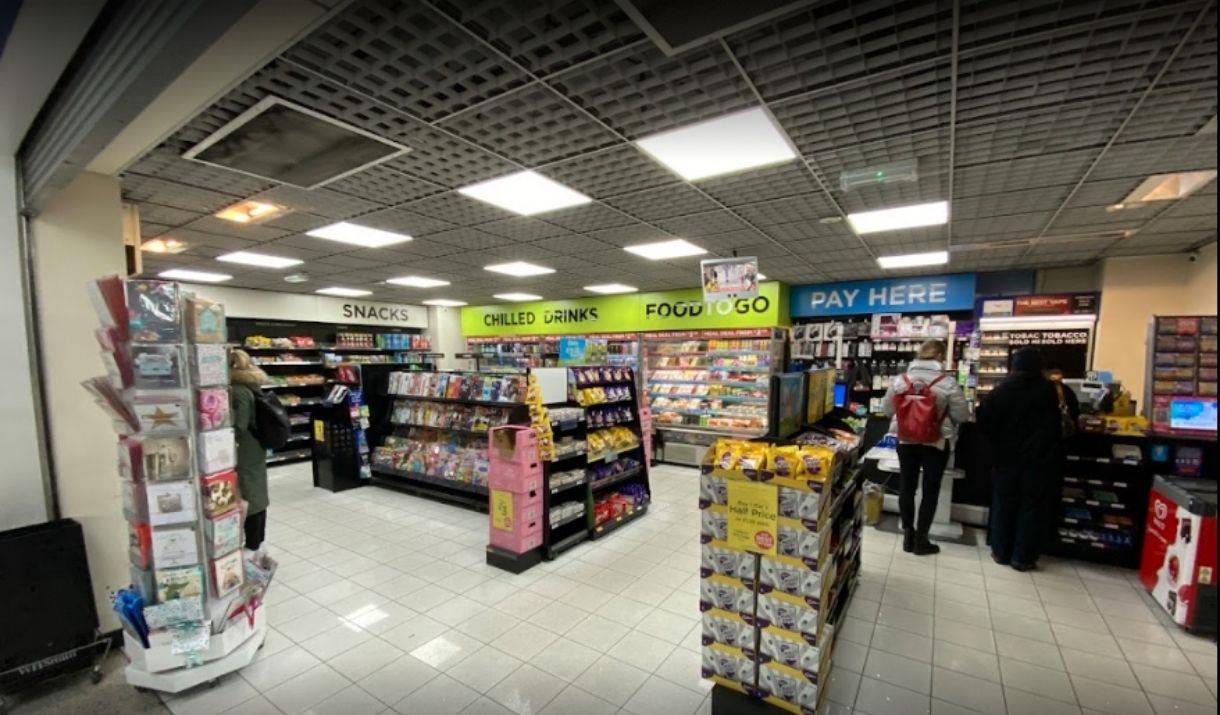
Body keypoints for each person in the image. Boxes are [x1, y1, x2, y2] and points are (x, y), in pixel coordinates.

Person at [882, 340, 971, 556]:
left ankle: (907, 536)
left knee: (906, 487)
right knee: (930, 491)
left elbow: (886, 410)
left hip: (906, 441)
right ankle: (922, 540)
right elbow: (962, 415)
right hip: (935, 442)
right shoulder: (948, 382)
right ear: (940, 356)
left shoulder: (900, 381)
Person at [977, 347, 1062, 571]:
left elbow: (984, 422)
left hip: (1005, 458)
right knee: (1032, 507)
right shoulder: (1049, 391)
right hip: (1038, 460)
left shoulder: (1000, 390)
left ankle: (1001, 551)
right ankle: (1023, 557)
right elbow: (1055, 426)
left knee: (1004, 503)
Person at [229, 349, 270, 551]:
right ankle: (258, 538)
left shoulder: (238, 391)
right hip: (256, 445)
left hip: (246, 447)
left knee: (249, 491)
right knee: (257, 488)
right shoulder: (252, 385)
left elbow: (240, 425)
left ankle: (253, 542)